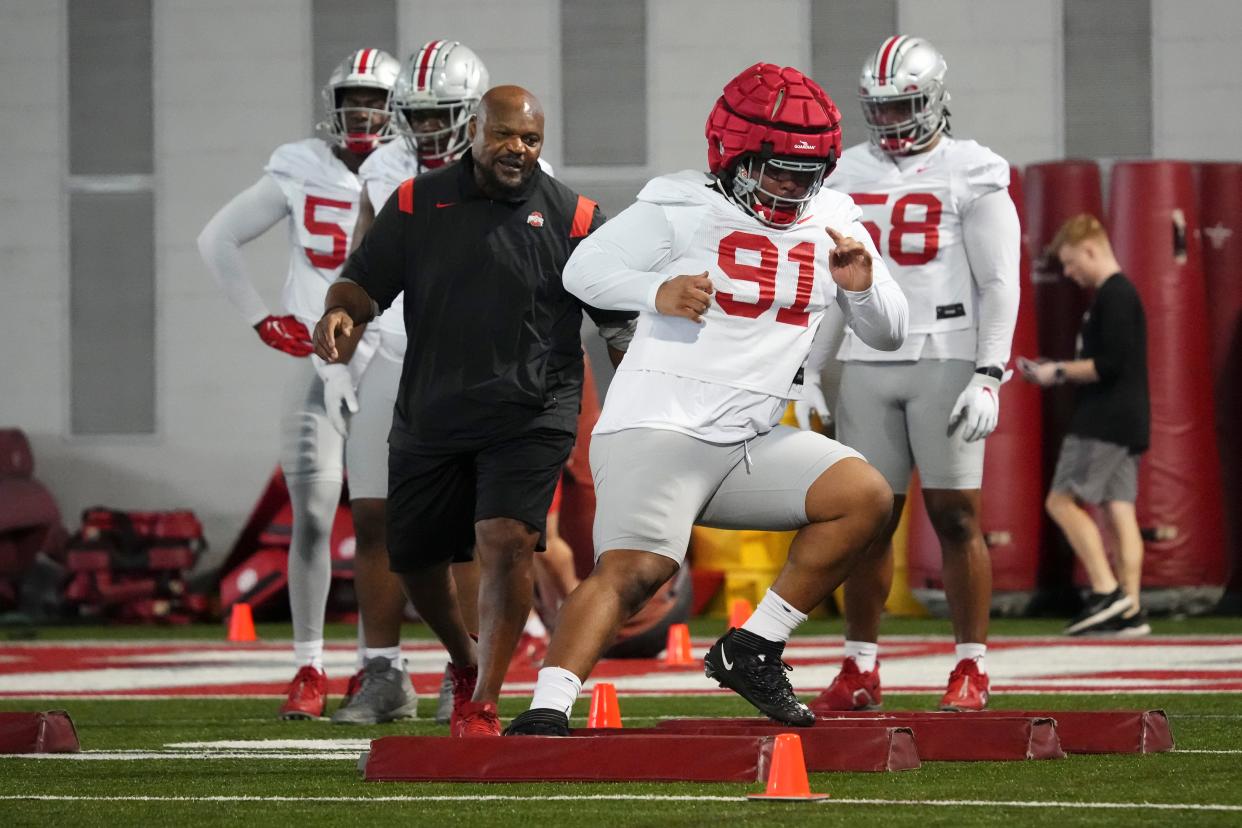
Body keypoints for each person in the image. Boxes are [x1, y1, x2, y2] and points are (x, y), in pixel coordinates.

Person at [505, 62, 908, 736]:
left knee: (864, 497)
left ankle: (753, 645)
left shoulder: (835, 216)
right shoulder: (685, 203)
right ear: (735, 154)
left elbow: (887, 331)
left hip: (748, 439)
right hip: (658, 428)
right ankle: (547, 707)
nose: (791, 185)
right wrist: (654, 292)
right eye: (776, 168)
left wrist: (862, 286)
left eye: (805, 171)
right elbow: (584, 270)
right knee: (637, 571)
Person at [312, 85, 635, 737]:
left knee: (505, 540)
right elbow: (362, 281)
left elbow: (619, 323)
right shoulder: (415, 202)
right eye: (505, 135)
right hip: (434, 402)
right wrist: (341, 311)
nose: (517, 148)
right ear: (474, 132)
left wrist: (645, 391)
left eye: (532, 139)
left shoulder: (576, 217)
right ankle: (461, 663)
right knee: (416, 554)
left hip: (534, 407)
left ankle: (484, 700)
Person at [814, 36, 1020, 713]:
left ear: (933, 99)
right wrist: (808, 369)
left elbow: (1000, 281)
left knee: (956, 515)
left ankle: (971, 666)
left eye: (904, 105)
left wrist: (989, 370)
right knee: (866, 520)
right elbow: (834, 287)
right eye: (881, 108)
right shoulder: (845, 172)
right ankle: (860, 664)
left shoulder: (972, 168)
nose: (892, 121)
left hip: (946, 352)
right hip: (868, 361)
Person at [197, 48, 400, 720]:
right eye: (354, 101)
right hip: (320, 359)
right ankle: (308, 667)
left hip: (392, 359)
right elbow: (216, 239)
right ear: (335, 106)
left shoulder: (409, 172)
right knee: (311, 515)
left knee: (387, 520)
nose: (363, 113)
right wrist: (262, 319)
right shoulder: (299, 165)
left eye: (375, 101)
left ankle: (379, 667)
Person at [329, 39, 490, 727]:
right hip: (392, 351)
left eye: (440, 114)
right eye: (417, 115)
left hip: (469, 361)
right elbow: (361, 257)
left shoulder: (509, 165)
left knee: (467, 529)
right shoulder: (386, 166)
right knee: (374, 516)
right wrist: (340, 335)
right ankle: (384, 670)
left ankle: (468, 669)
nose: (426, 129)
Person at [1019, 213, 1151, 637]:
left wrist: (1055, 372)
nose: (1070, 273)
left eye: (1072, 262)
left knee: (1060, 503)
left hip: (1104, 418)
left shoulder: (1115, 295)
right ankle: (1130, 610)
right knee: (1118, 510)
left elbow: (1109, 365)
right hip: (1128, 418)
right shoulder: (1118, 295)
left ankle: (1107, 593)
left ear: (1091, 249)